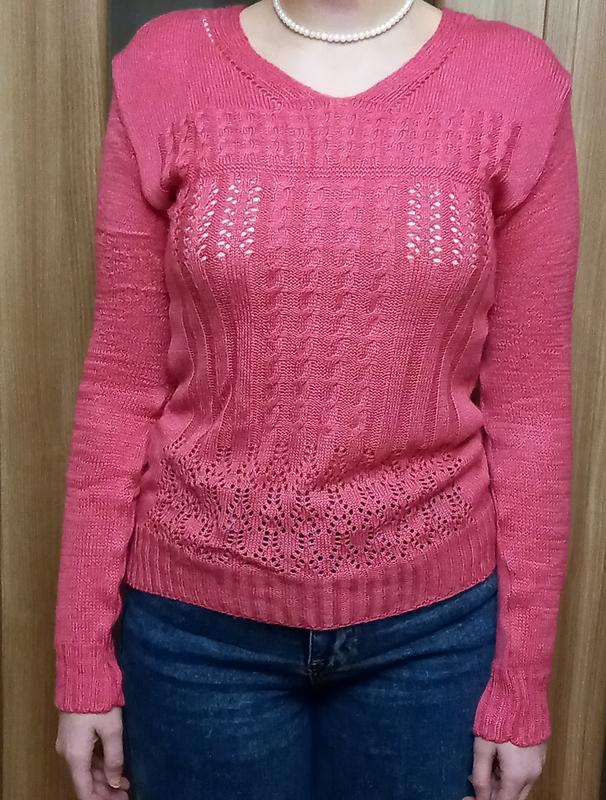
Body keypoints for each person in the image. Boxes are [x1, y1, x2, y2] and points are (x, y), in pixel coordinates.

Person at [53, 0, 580, 798]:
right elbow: (119, 387)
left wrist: (523, 683)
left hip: (432, 640)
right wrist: (83, 662)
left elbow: (531, 408)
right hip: (197, 638)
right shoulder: (166, 67)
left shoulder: (515, 82)